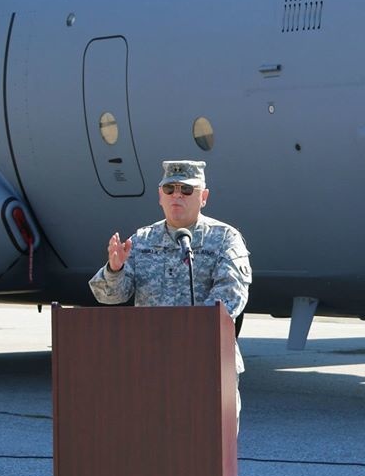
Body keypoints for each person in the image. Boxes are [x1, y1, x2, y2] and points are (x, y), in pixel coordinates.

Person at [89, 159, 251, 424]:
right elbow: (109, 295)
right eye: (170, 189)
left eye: (187, 190)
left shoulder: (224, 239)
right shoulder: (141, 240)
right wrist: (115, 269)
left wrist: (186, 336)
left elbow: (231, 295)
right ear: (160, 197)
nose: (177, 195)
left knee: (207, 453)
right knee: (153, 449)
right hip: (150, 365)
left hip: (207, 365)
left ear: (204, 197)